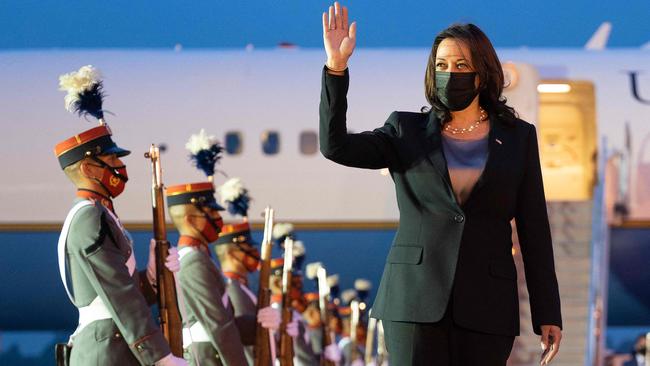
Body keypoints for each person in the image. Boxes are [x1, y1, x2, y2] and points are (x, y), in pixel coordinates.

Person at [319, 3, 563, 365]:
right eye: (442, 65)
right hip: (414, 302)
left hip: (487, 306)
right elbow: (335, 146)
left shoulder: (518, 138)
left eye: (462, 66)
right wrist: (336, 69)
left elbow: (534, 230)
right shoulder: (406, 131)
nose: (451, 73)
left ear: (482, 73)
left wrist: (548, 311)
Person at [55, 65, 185, 365]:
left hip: (115, 345)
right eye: (111, 158)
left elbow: (125, 289)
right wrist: (160, 356)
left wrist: (152, 278)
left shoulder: (101, 214)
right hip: (106, 351)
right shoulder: (89, 218)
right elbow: (119, 295)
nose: (119, 166)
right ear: (88, 168)